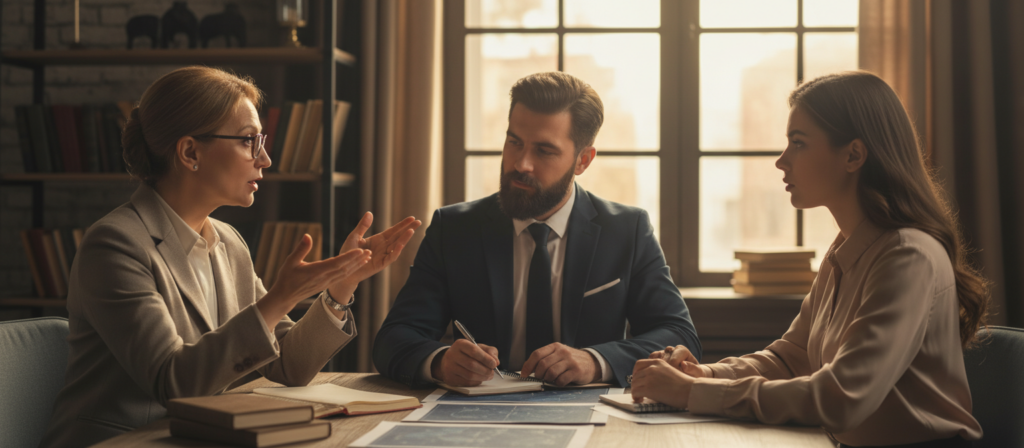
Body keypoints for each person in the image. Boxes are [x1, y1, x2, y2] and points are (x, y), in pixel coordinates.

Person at [39, 66, 421, 448]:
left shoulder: (228, 242)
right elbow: (174, 383)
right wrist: (280, 298)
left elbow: (290, 365)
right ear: (190, 152)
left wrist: (341, 285)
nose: (265, 158)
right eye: (248, 141)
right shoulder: (114, 245)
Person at [630, 71, 988, 448]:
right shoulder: (845, 248)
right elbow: (789, 359)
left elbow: (841, 398)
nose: (781, 161)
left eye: (798, 144)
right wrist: (702, 374)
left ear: (853, 155)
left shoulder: (907, 256)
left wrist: (691, 393)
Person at [372, 72, 700, 388]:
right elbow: (394, 339)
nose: (521, 164)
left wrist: (594, 361)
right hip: (476, 417)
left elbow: (680, 337)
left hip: (595, 419)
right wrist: (441, 361)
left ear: (583, 160)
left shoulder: (627, 230)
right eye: (514, 142)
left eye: (544, 150)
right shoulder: (454, 229)